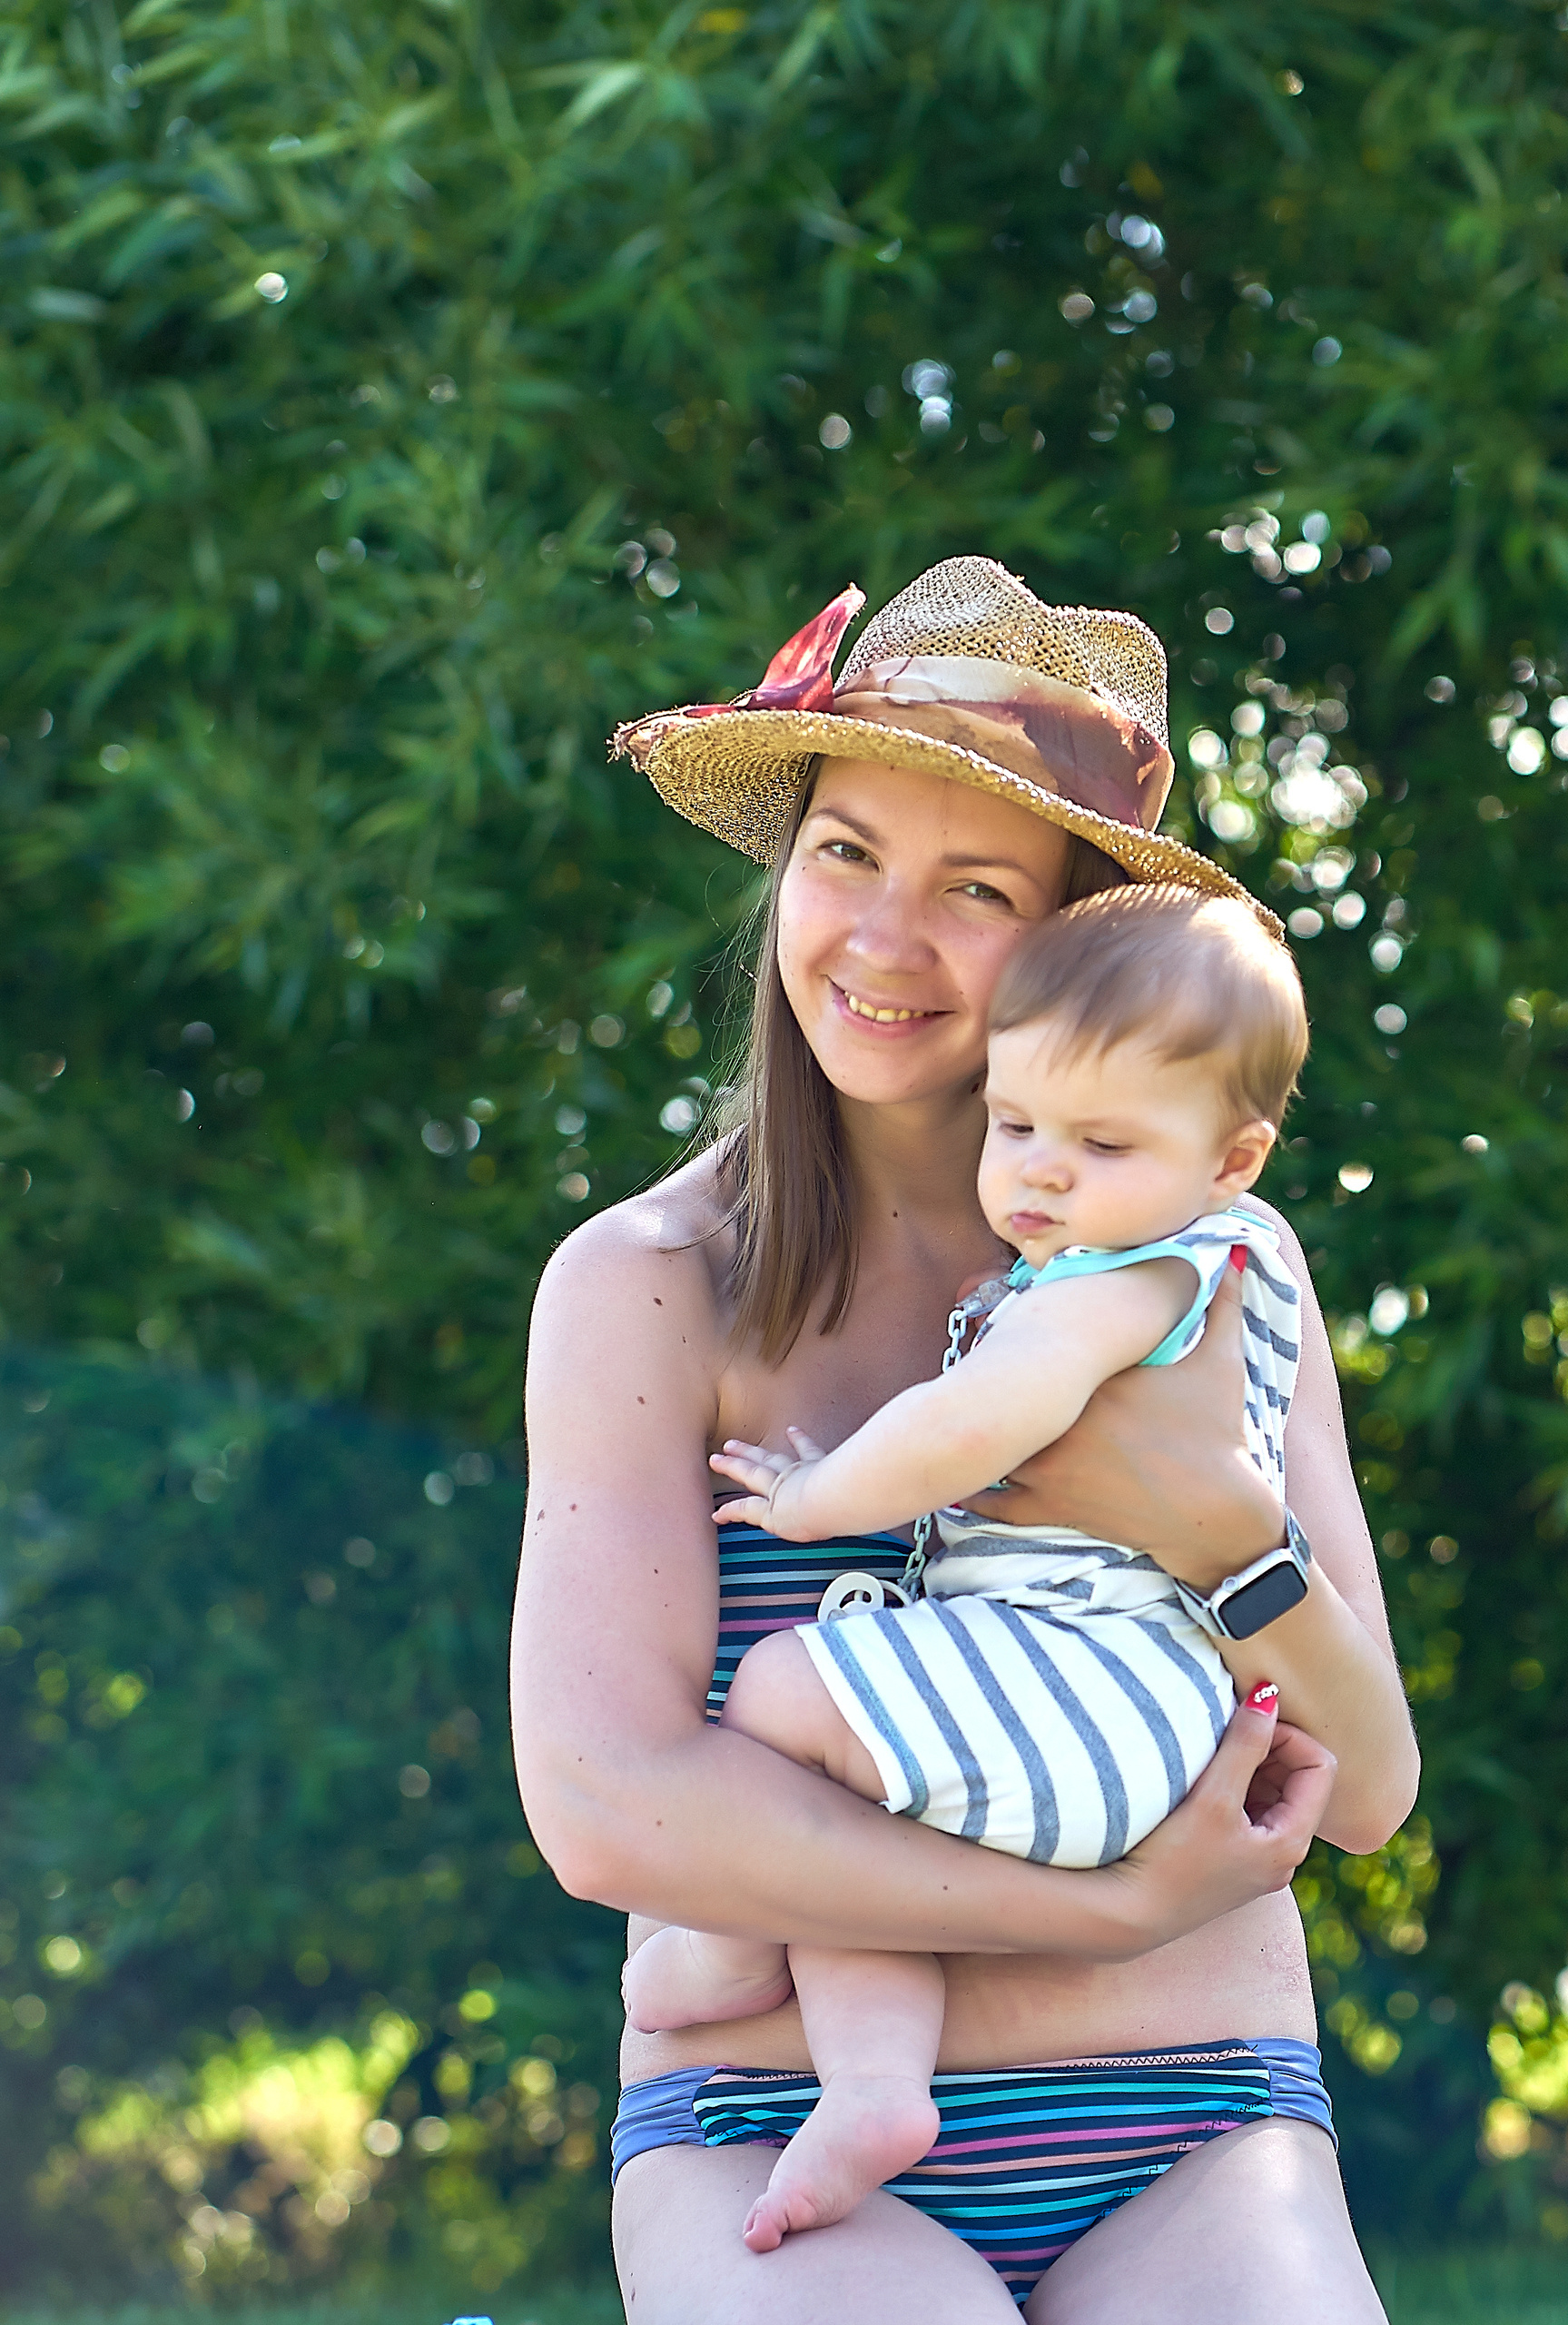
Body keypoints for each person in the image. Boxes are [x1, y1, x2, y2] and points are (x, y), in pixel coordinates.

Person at [510, 557, 1419, 2323]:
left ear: (1078, 933)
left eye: (977, 885)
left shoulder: (1215, 1274)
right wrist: (1097, 1909)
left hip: (1195, 2114)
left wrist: (1217, 1526)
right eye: (845, 851)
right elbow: (613, 1807)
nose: (884, 936)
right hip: (773, 2123)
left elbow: (1364, 1786)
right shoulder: (650, 1284)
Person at [623, 882, 1313, 2258]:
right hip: (1109, 1707)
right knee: (834, 1755)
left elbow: (973, 1422)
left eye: (1101, 1142)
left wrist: (821, 1497)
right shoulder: (646, 1278)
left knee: (782, 1699)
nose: (1043, 1173)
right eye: (1018, 1126)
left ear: (1232, 1160)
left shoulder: (1139, 1281)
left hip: (1103, 1695)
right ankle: (865, 2074)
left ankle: (774, 1980)